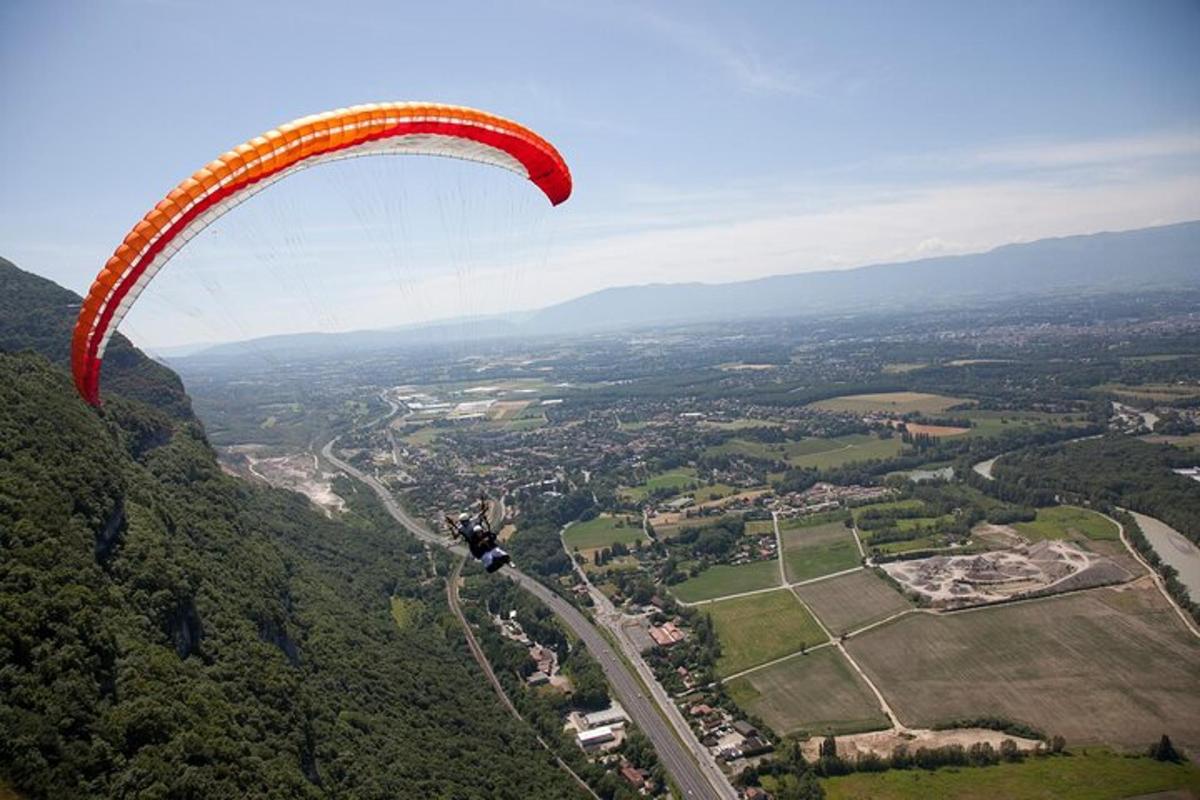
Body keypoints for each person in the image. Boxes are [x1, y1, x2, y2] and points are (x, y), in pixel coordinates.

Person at [445, 499, 510, 573]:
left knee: (488, 551)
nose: (465, 523)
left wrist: (484, 506)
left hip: (478, 541)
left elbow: (481, 513)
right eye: (463, 522)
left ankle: (496, 560)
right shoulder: (467, 525)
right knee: (487, 553)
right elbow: (481, 514)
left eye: (464, 522)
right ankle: (494, 562)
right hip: (477, 542)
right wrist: (452, 529)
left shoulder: (467, 524)